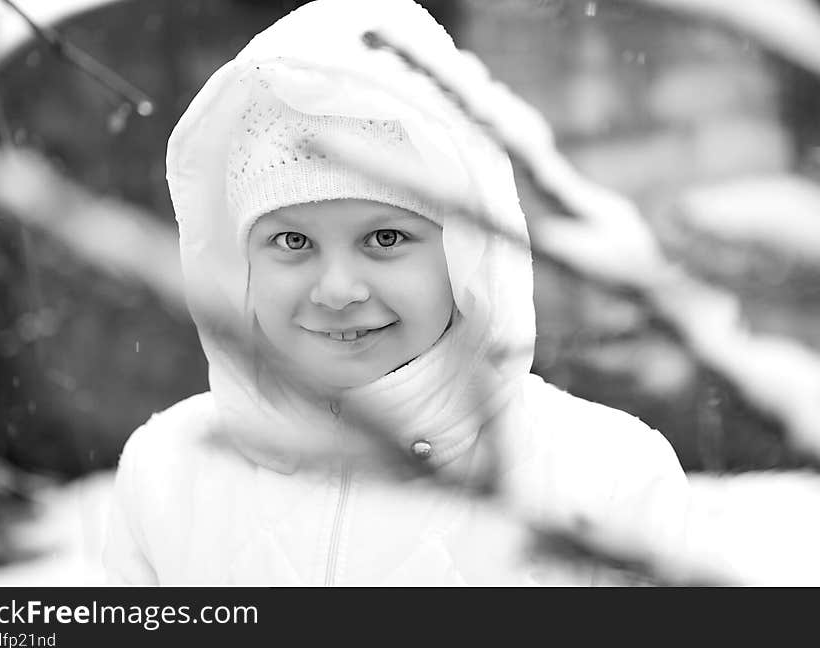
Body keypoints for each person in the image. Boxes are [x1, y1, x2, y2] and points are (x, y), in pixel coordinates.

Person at [102, 0, 691, 586]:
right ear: (240, 263)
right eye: (291, 240)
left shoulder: (606, 477)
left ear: (464, 254)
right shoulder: (168, 474)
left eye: (385, 237)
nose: (336, 290)